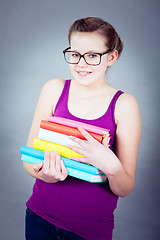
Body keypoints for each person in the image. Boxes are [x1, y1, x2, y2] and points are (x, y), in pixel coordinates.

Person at [23, 17, 141, 240]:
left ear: (111, 57)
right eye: (75, 54)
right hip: (39, 217)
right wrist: (47, 176)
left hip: (88, 231)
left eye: (93, 56)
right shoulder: (53, 89)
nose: (81, 64)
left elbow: (125, 188)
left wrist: (111, 166)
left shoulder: (124, 104)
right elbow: (28, 158)